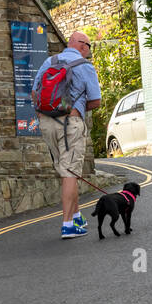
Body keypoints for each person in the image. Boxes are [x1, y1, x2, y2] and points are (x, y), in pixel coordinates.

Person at [32, 30, 102, 239]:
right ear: (82, 46)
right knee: (70, 173)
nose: (89, 51)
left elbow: (35, 93)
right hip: (71, 123)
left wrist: (44, 116)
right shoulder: (85, 66)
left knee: (65, 172)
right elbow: (96, 101)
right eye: (89, 46)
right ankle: (67, 224)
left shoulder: (49, 61)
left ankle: (77, 216)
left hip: (47, 122)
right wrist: (76, 109)